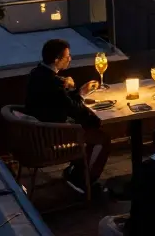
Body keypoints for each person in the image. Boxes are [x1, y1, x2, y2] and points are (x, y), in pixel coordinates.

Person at [24, 38, 110, 195]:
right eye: (67, 56)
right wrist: (81, 95)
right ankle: (86, 181)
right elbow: (73, 109)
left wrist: (79, 92)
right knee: (101, 138)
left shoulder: (36, 73)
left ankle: (77, 170)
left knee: (90, 125)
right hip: (52, 135)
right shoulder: (53, 82)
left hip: (38, 130)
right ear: (57, 60)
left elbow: (62, 102)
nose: (70, 59)